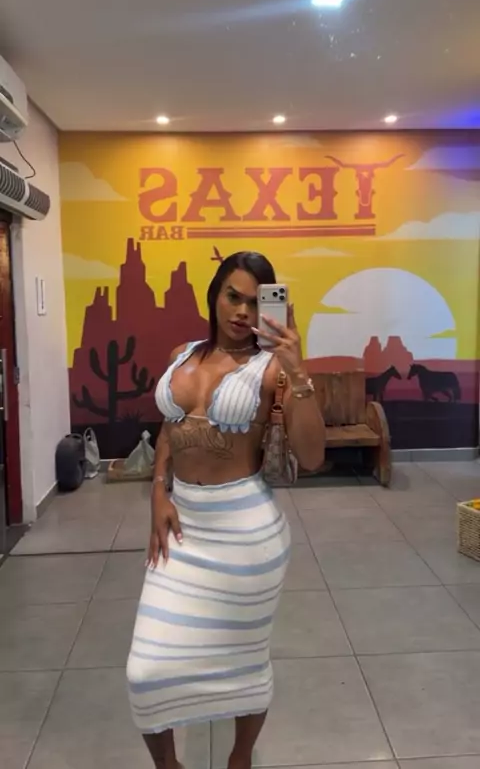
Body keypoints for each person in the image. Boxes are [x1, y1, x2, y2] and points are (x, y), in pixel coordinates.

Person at [127, 251, 325, 769]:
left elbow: (312, 456)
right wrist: (159, 489)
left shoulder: (272, 368)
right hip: (182, 528)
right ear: (214, 296)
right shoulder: (183, 354)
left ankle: (240, 757)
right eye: (233, 296)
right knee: (145, 672)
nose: (242, 311)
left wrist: (298, 371)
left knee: (245, 664)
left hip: (246, 536)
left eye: (256, 302)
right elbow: (169, 428)